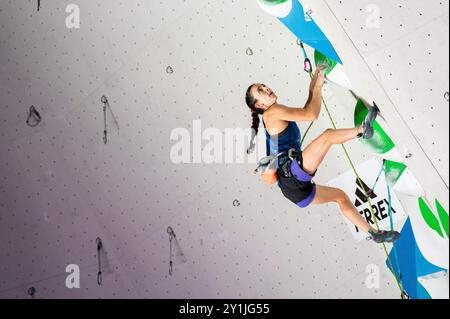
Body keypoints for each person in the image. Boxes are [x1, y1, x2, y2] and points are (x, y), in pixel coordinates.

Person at [245, 66, 400, 244]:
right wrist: (318, 84)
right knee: (327, 136)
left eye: (264, 86)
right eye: (260, 91)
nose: (266, 88)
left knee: (340, 197)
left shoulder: (273, 115)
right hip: (290, 175)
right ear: (260, 105)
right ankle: (362, 130)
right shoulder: (272, 112)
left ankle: (374, 234)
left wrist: (316, 77)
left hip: (292, 191)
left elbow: (307, 107)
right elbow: (312, 114)